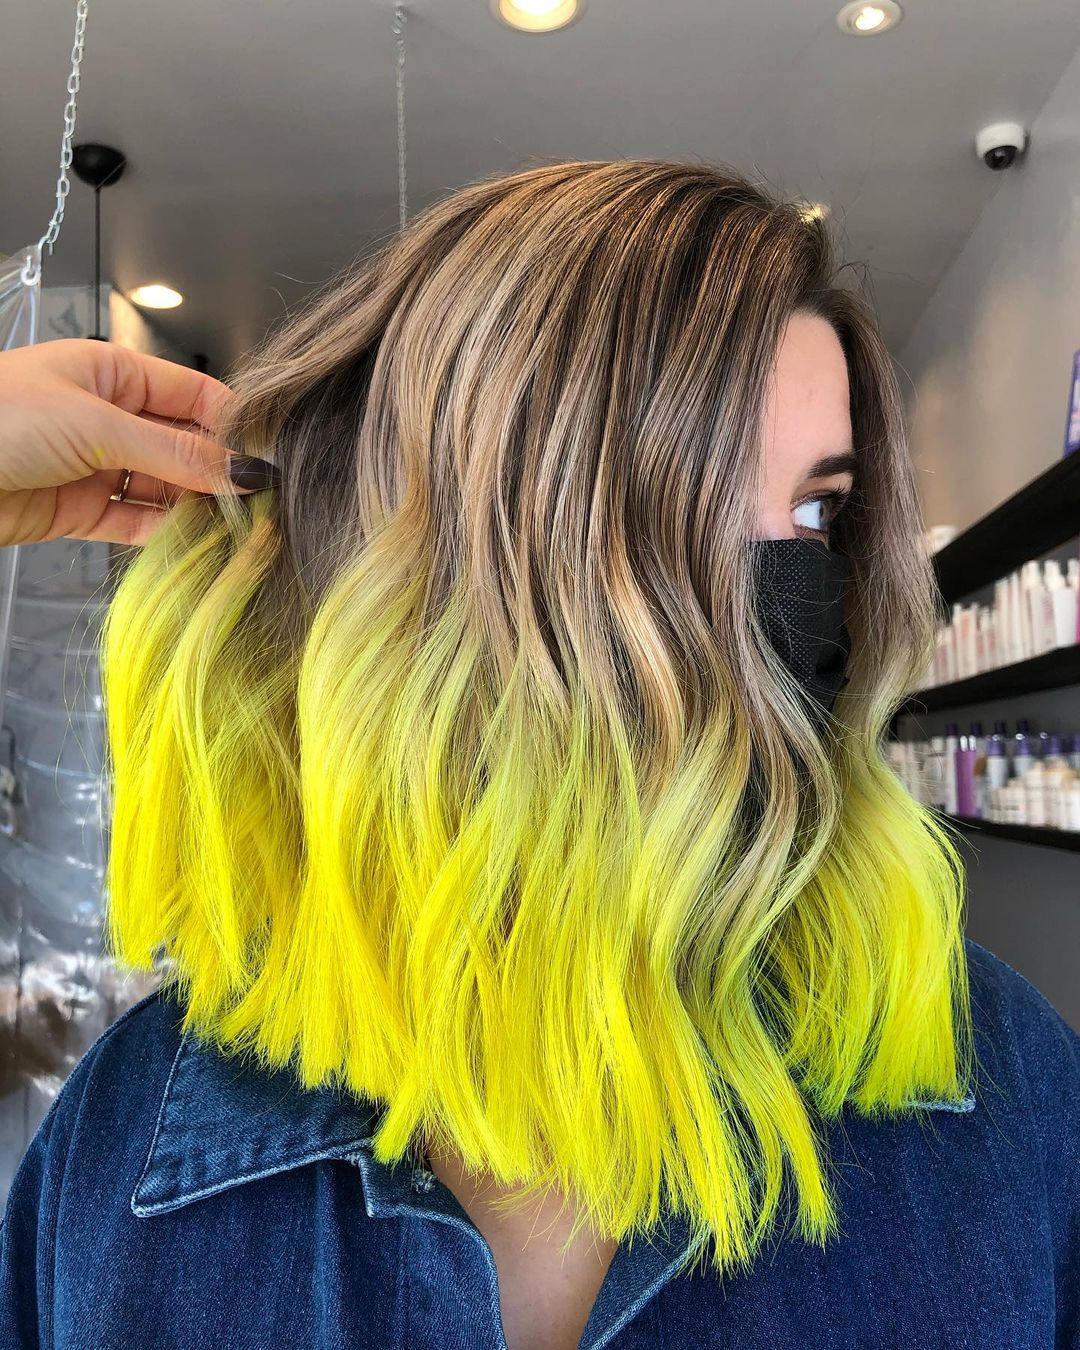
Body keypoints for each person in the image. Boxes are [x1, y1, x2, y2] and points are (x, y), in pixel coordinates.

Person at [0, 159, 1076, 1350]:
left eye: (818, 514)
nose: (788, 587)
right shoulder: (126, 1144)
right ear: (434, 581)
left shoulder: (1006, 1085)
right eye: (675, 509)